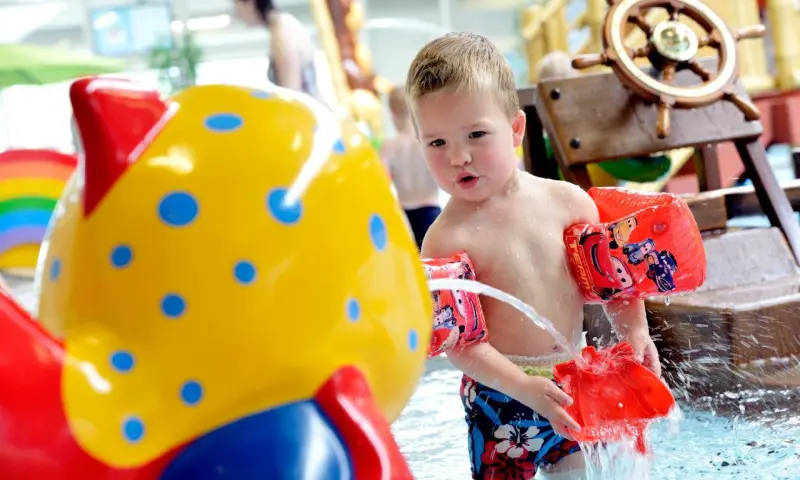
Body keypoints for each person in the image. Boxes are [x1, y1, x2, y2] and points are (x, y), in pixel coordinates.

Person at [409, 33, 661, 478]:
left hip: (573, 383)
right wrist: (523, 387)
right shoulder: (445, 240)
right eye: (436, 143)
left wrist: (635, 333)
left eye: (475, 134)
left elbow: (615, 280)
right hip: (498, 400)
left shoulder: (569, 204)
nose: (459, 157)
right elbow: (463, 345)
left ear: (515, 129)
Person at [380, 86, 441, 249]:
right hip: (431, 213)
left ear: (392, 114)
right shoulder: (428, 143)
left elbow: (382, 186)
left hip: (404, 219)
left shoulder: (388, 147)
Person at [233, 0, 321, 99]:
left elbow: (291, 93)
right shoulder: (284, 25)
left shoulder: (282, 31)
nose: (238, 15)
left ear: (250, 3)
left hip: (305, 110)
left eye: (237, 6)